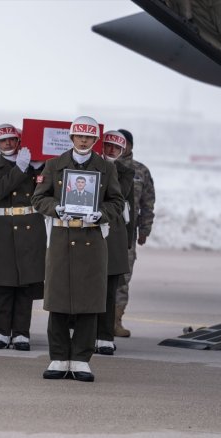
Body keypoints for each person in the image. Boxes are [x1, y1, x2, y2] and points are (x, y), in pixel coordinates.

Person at [32, 115, 123, 382]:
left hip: (92, 240)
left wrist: (100, 214)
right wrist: (55, 208)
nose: (84, 141)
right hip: (61, 238)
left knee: (89, 302)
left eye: (89, 137)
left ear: (95, 140)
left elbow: (117, 201)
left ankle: (81, 359)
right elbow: (38, 198)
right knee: (59, 301)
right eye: (79, 136)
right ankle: (59, 357)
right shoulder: (53, 165)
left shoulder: (107, 169)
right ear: (72, 137)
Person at [0, 124, 46, 351]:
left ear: (19, 141)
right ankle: (0, 332)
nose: (7, 143)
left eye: (11, 139)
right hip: (3, 230)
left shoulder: (34, 165)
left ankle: (21, 333)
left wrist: (42, 166)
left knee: (25, 285)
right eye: (2, 141)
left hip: (30, 229)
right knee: (4, 285)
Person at [95, 130, 134, 355]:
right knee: (90, 289)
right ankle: (88, 335)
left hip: (115, 233)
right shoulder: (92, 167)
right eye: (107, 145)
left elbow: (126, 201)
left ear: (122, 151)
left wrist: (129, 240)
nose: (111, 150)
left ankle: (105, 336)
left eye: (116, 148)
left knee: (110, 290)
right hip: (93, 233)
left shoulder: (125, 172)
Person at [114, 128, 156, 337]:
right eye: (116, 144)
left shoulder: (141, 171)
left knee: (123, 278)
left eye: (124, 144)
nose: (120, 148)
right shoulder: (105, 166)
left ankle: (115, 321)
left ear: (131, 146)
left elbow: (148, 203)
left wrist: (144, 230)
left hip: (127, 235)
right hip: (101, 231)